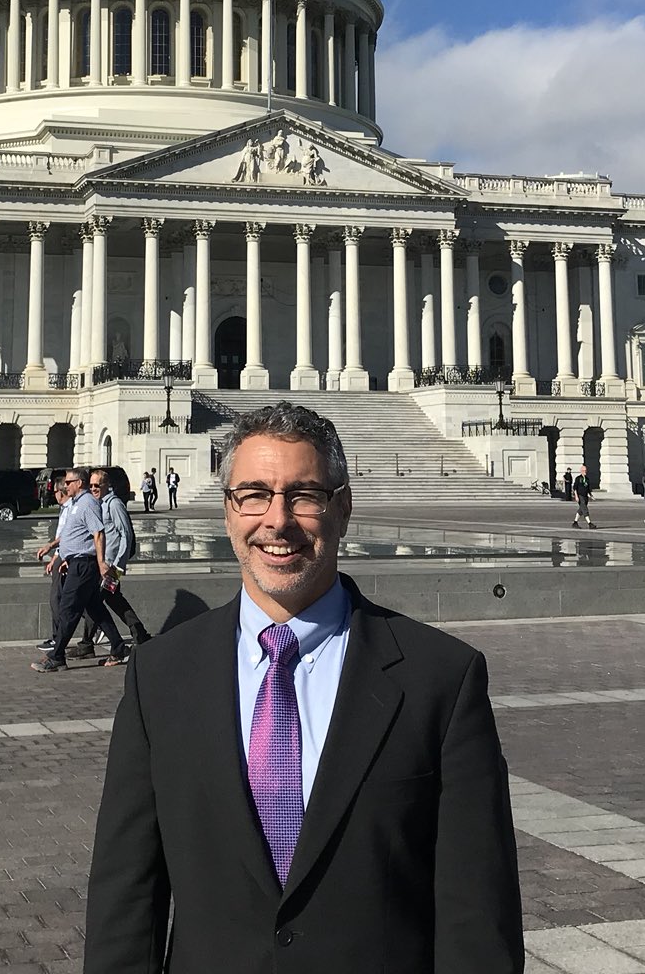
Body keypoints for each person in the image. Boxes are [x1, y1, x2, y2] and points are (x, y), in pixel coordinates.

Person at [85, 401, 522, 972]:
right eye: (254, 494)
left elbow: (477, 912)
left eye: (305, 495)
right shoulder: (161, 676)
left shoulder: (440, 677)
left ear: (342, 509)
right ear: (228, 511)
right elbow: (127, 897)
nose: (277, 520)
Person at [33, 469, 128, 671]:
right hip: (77, 561)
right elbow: (75, 533)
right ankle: (119, 647)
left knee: (68, 608)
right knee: (95, 609)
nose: (65, 485)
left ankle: (57, 656)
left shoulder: (87, 504)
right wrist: (56, 549)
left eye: (69, 481)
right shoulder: (77, 504)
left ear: (79, 483)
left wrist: (102, 562)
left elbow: (98, 533)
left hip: (84, 564)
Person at [92, 467, 152, 658]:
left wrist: (119, 565)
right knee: (113, 600)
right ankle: (139, 633)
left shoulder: (115, 505)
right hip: (104, 564)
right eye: (91, 485)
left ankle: (88, 642)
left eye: (97, 485)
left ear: (106, 485)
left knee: (95, 600)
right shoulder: (99, 504)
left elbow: (125, 535)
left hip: (113, 565)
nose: (93, 488)